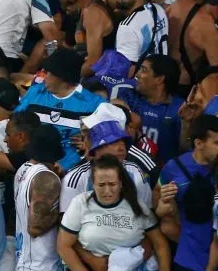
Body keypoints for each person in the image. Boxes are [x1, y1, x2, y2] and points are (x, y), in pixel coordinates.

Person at [58, 154, 171, 271]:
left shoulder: (136, 205)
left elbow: (160, 244)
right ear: (93, 183)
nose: (107, 191)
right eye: (101, 185)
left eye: (112, 184)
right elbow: (63, 246)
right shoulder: (80, 203)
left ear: (120, 183)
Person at [14, 48, 105, 170]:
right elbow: (15, 122)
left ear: (63, 76)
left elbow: (108, 138)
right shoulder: (35, 92)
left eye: (49, 72)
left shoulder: (94, 104)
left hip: (73, 168)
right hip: (32, 162)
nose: (44, 76)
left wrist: (91, 143)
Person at [155, 115, 218, 271]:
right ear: (199, 143)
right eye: (217, 143)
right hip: (188, 258)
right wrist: (162, 205)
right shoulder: (173, 168)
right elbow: (157, 203)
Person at [13, 125, 65, 271]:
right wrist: (65, 215)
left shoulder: (23, 169)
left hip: (26, 261)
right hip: (41, 265)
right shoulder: (47, 178)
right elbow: (36, 227)